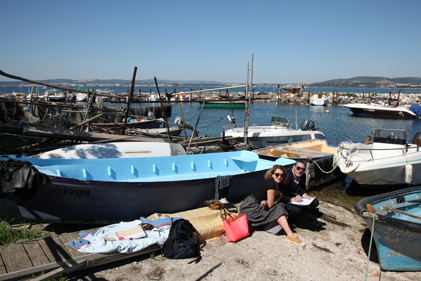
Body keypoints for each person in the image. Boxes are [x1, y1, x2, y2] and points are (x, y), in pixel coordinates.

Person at [239, 165, 304, 245]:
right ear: (272, 174)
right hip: (250, 208)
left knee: (279, 206)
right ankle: (290, 235)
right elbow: (271, 204)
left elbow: (273, 199)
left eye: (282, 175)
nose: (279, 177)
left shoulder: (277, 184)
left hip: (256, 206)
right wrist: (278, 199)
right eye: (277, 174)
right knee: (278, 207)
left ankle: (258, 225)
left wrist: (291, 199)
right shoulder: (271, 183)